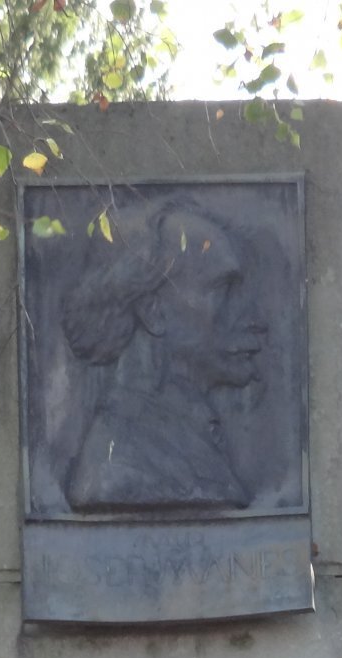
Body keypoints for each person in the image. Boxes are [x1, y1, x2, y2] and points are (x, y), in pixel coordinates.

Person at [60, 197, 266, 516]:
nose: (254, 320)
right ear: (153, 311)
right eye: (223, 290)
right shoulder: (118, 468)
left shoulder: (186, 437)